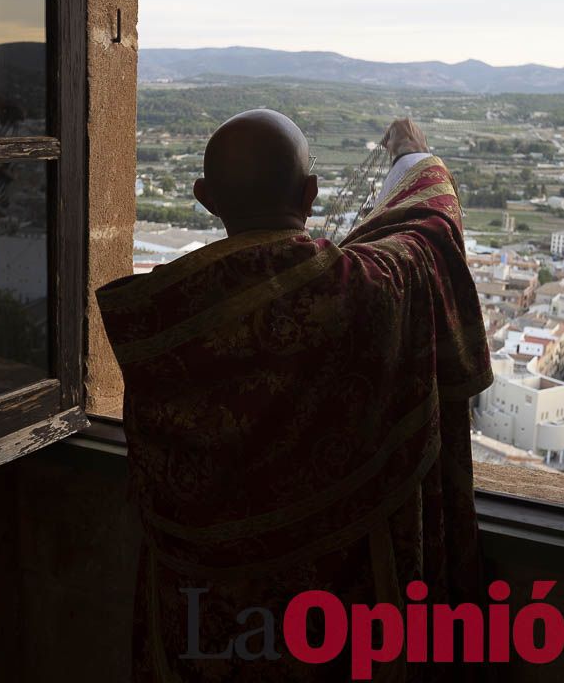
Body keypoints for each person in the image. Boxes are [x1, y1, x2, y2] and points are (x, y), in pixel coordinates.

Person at [98, 110, 492, 681]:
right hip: (340, 629)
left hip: (204, 631)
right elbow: (426, 231)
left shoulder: (159, 319)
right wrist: (413, 157)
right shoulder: (368, 291)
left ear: (205, 199)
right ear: (311, 193)